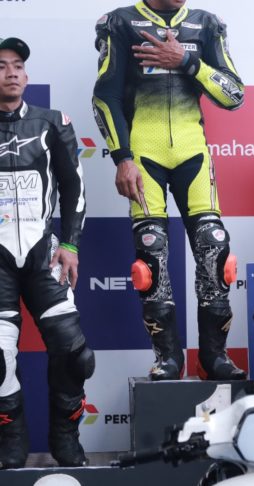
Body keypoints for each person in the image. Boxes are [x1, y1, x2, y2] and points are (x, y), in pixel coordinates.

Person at [92, 0, 245, 381]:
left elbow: (234, 95)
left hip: (193, 152)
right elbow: (105, 96)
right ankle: (168, 358)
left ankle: (213, 357)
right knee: (151, 253)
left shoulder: (206, 24)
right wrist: (122, 157)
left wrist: (187, 61)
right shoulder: (121, 21)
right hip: (144, 153)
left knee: (214, 248)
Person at [0, 37, 93, 468]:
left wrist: (70, 244)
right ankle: (11, 443)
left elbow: (74, 186)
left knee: (74, 353)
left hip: (43, 255)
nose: (11, 73)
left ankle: (65, 439)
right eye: (2, 66)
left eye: (18, 65)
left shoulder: (53, 122)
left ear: (27, 74)